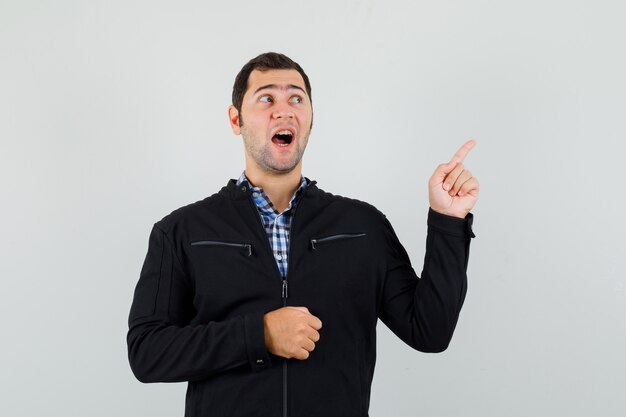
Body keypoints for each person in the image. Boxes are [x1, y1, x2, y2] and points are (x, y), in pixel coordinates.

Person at [127, 52, 479, 417]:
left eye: (296, 98)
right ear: (236, 119)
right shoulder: (183, 232)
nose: (284, 110)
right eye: (266, 98)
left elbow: (430, 331)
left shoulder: (363, 227)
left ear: (311, 119)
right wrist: (259, 335)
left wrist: (447, 222)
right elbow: (147, 352)